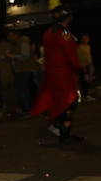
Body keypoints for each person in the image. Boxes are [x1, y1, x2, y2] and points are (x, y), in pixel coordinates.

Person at [29, 8, 83, 142]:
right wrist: (79, 68)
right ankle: (64, 134)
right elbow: (71, 54)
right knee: (70, 102)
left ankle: (57, 126)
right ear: (68, 19)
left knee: (57, 100)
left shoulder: (48, 33)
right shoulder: (64, 33)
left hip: (52, 73)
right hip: (64, 73)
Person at [77, 32, 94, 100]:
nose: (85, 40)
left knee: (88, 80)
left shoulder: (88, 46)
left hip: (88, 66)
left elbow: (88, 56)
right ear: (81, 39)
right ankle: (85, 95)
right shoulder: (79, 47)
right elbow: (78, 57)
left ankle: (85, 94)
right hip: (82, 67)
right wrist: (82, 67)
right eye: (83, 39)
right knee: (84, 81)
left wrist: (91, 65)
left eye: (86, 38)